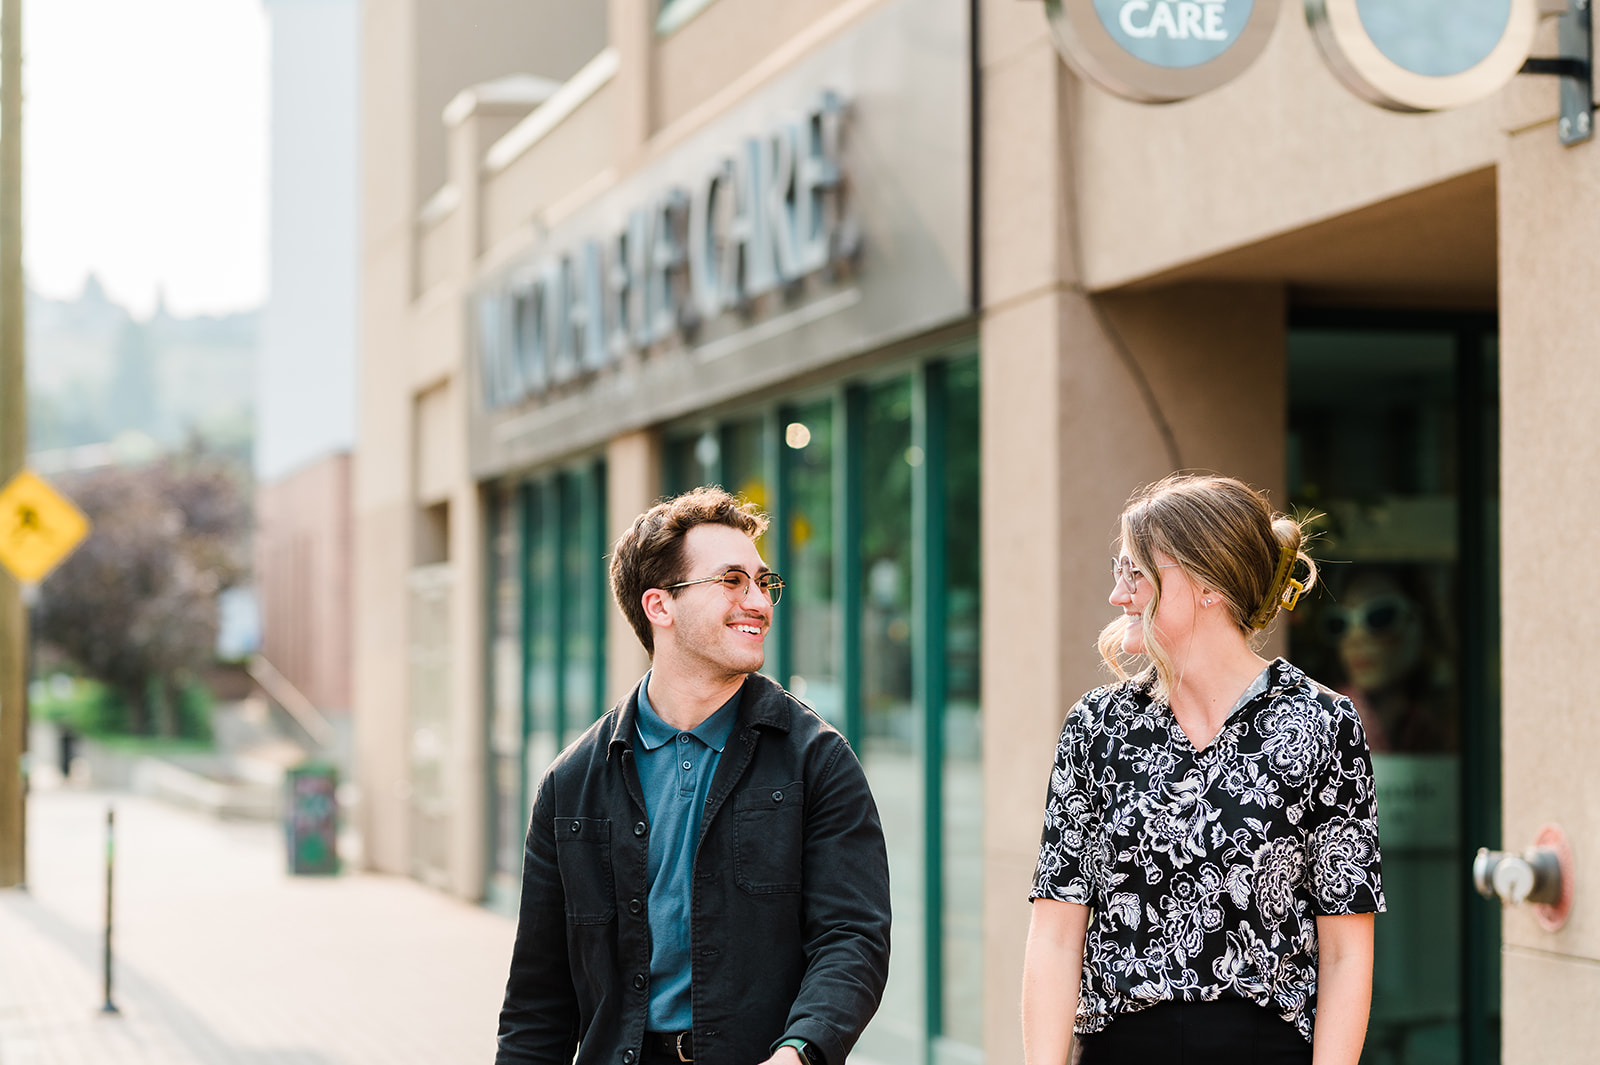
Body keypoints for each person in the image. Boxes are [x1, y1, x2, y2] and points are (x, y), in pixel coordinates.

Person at [496, 486, 892, 1065]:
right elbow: (537, 1003)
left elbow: (852, 937)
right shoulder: (571, 784)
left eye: (762, 582)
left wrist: (799, 1051)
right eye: (732, 581)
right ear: (661, 606)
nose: (758, 601)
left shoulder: (818, 760)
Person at [1022, 474, 1384, 1065]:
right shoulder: (1098, 726)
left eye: (1136, 573)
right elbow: (1058, 934)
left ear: (1208, 584)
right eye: (1119, 571)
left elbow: (1345, 949)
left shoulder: (1323, 724)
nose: (1119, 594)